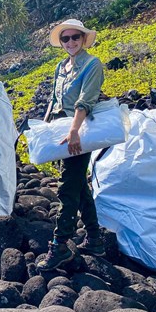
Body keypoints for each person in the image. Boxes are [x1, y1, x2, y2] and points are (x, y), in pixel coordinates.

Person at [36, 19, 105, 271]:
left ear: (84, 39)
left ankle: (60, 244)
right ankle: (95, 239)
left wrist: (74, 130)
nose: (70, 42)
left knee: (67, 188)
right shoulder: (60, 67)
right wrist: (44, 130)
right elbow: (54, 101)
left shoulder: (92, 64)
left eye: (75, 37)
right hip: (61, 132)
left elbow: (86, 100)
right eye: (65, 39)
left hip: (79, 132)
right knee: (78, 186)